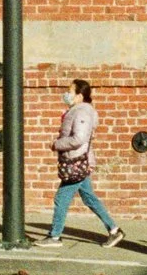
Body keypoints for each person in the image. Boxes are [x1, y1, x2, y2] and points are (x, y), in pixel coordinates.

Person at [46, 80, 121, 247]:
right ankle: (114, 230)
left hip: (76, 161)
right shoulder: (78, 110)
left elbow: (79, 138)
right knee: (89, 198)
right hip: (79, 161)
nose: (67, 94)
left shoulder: (82, 113)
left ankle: (55, 237)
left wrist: (56, 144)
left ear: (79, 96)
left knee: (61, 198)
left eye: (70, 91)